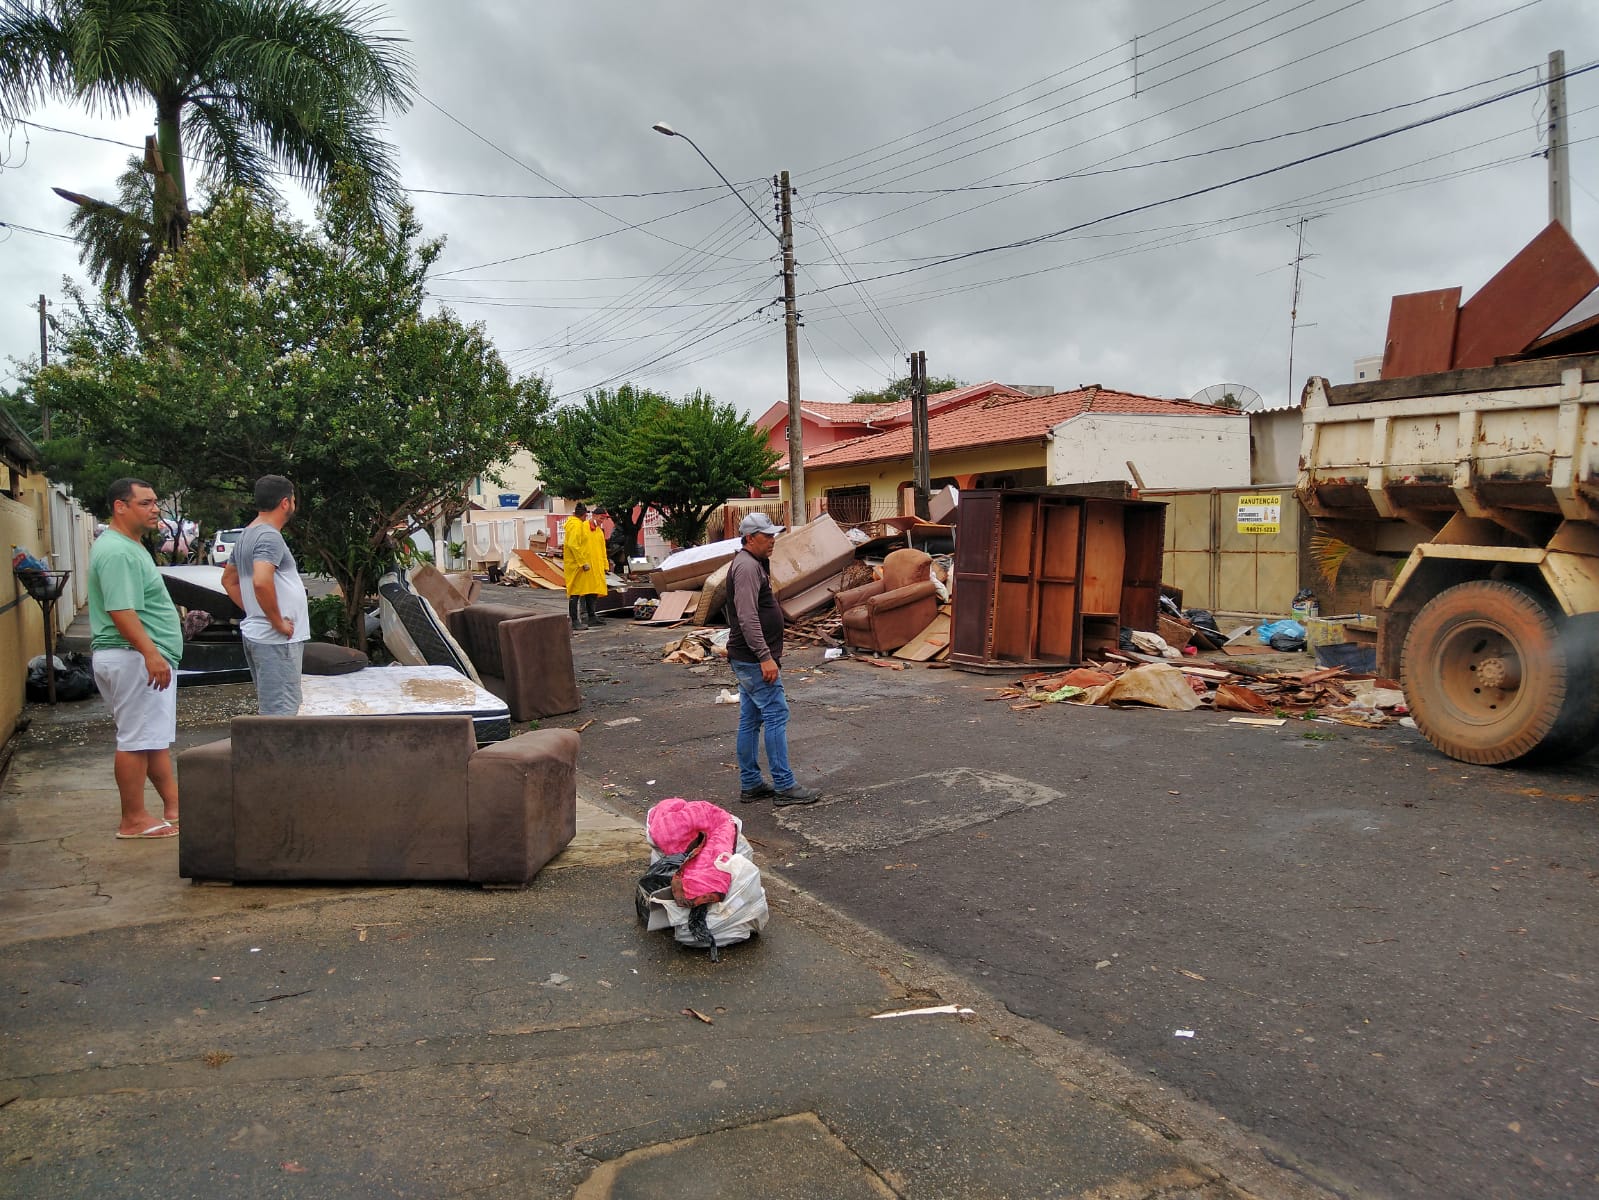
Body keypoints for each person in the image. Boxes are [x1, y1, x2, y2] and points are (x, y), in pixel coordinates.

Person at [88, 478, 184, 839]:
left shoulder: (128, 545)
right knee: (135, 740)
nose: (155, 509)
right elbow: (121, 610)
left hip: (137, 657)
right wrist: (150, 653)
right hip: (133, 657)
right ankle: (133, 819)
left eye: (155, 502)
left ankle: (174, 807)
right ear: (120, 506)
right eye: (145, 503)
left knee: (151, 738)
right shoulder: (119, 552)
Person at [724, 512, 820, 806]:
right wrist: (765, 656)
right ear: (749, 538)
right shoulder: (746, 567)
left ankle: (751, 783)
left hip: (747, 656)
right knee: (776, 714)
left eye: (773, 535)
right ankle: (784, 785)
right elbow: (747, 616)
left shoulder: (753, 563)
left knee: (751, 719)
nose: (772, 540)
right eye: (767, 536)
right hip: (753, 658)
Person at [221, 475, 309, 715]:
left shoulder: (247, 534)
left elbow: (228, 580)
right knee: (281, 715)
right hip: (276, 641)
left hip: (262, 636)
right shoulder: (269, 536)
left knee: (275, 711)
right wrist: (276, 621)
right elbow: (261, 581)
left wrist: (257, 611)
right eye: (293, 499)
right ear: (285, 503)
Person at [562, 502, 606, 631]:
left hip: (589, 565)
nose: (602, 521)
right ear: (587, 515)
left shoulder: (597, 531)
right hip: (579, 565)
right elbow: (574, 545)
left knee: (591, 591)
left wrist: (604, 564)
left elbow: (602, 549)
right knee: (576, 593)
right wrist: (582, 562)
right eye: (601, 518)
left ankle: (591, 617)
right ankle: (576, 620)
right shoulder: (579, 526)